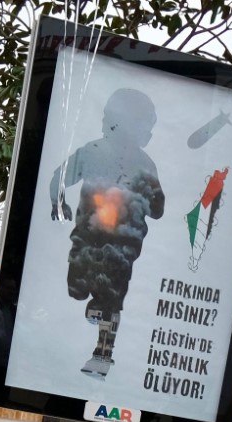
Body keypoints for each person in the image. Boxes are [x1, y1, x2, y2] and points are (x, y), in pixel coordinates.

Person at [50, 87, 165, 379]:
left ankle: (102, 355)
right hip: (88, 238)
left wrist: (144, 191)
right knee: (77, 290)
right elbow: (60, 177)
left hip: (121, 246)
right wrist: (57, 200)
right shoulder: (93, 152)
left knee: (110, 298)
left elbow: (158, 208)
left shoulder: (145, 164)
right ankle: (96, 309)